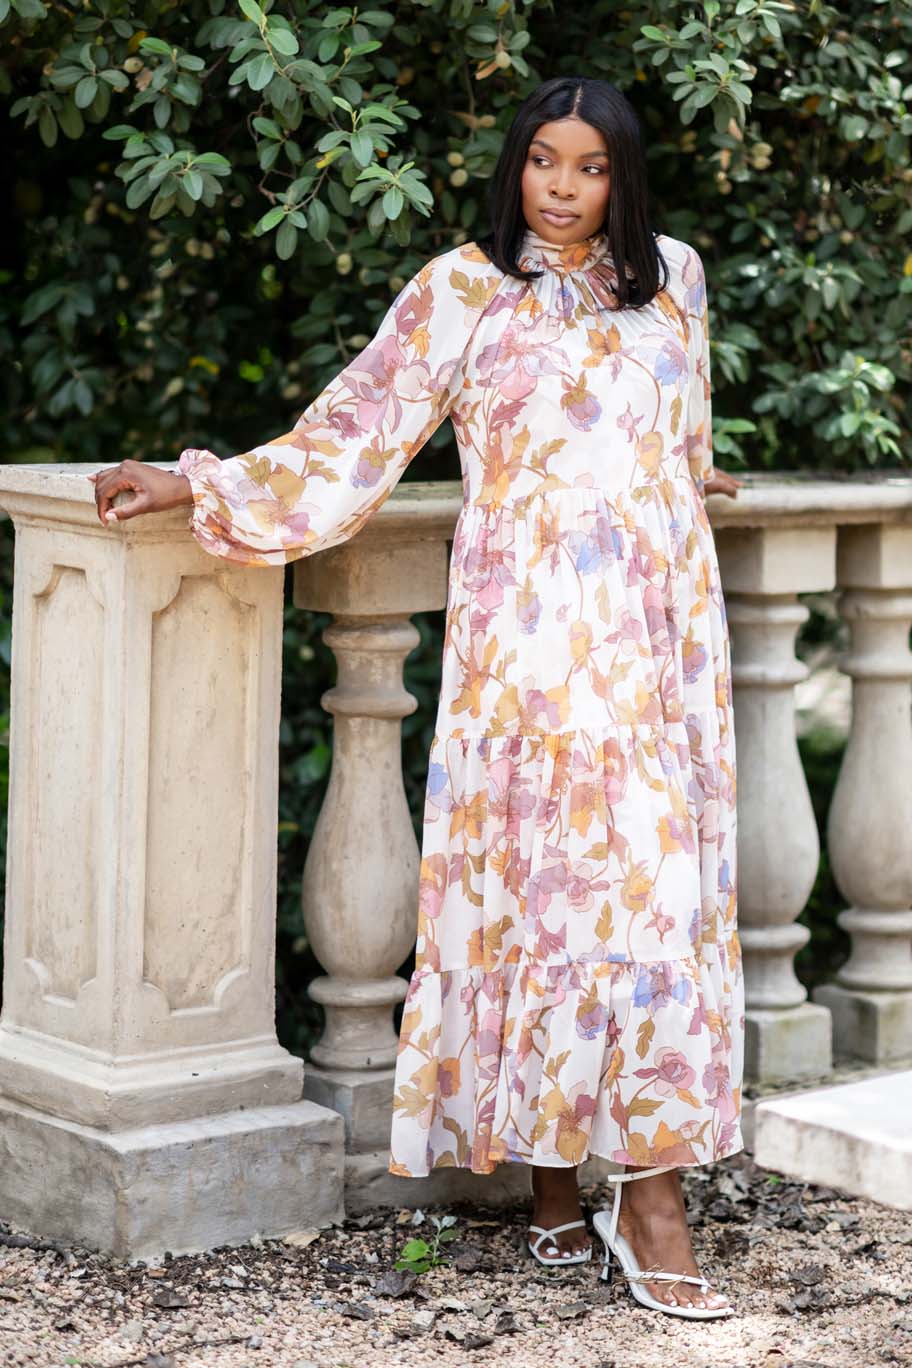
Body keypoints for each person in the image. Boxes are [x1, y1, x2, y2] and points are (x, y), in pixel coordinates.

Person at [90, 73, 744, 1319]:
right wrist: (201, 483)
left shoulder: (676, 277)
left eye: (590, 166)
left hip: (657, 638)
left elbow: (679, 427)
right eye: (543, 160)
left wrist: (680, 482)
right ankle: (554, 1182)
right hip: (529, 644)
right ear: (515, 166)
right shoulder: (461, 288)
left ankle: (651, 1194)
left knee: (654, 899)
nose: (562, 188)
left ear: (623, 175)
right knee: (544, 890)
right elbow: (354, 431)